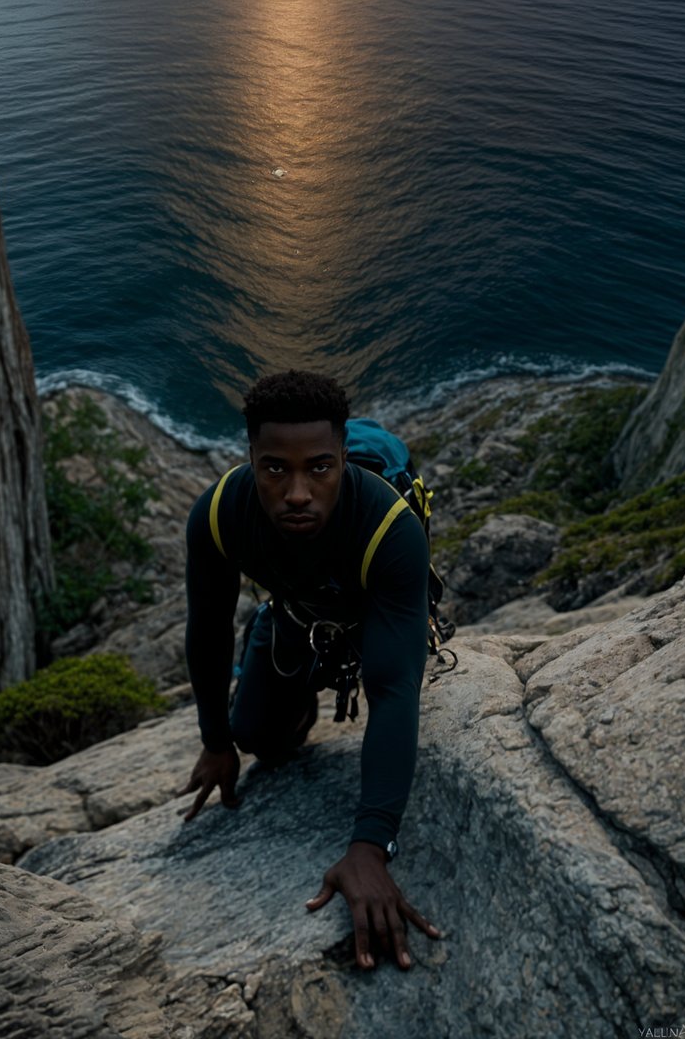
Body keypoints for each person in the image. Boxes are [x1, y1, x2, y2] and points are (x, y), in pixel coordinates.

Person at [178, 369, 442, 971]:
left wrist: (371, 846)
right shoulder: (219, 515)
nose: (297, 492)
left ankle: (310, 657)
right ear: (249, 456)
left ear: (344, 456)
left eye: (320, 467)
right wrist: (217, 742)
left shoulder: (388, 528)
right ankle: (285, 658)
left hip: (376, 617)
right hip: (297, 615)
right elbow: (207, 629)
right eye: (275, 469)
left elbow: (395, 689)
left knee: (378, 665)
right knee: (260, 739)